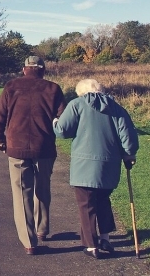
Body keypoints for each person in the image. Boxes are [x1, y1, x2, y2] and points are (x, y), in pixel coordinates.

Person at [53, 79, 139, 259]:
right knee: (103, 200)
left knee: (86, 204)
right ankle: (105, 238)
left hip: (84, 166)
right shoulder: (116, 108)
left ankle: (91, 245)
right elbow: (128, 137)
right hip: (109, 165)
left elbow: (62, 131)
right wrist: (129, 155)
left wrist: (54, 121)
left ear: (81, 92)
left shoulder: (77, 105)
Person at [0, 56, 65, 255]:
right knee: (43, 187)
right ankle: (42, 229)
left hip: (17, 147)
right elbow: (62, 118)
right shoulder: (53, 88)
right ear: (42, 70)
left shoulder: (11, 86)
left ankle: (29, 241)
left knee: (22, 192)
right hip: (45, 148)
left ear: (24, 69)